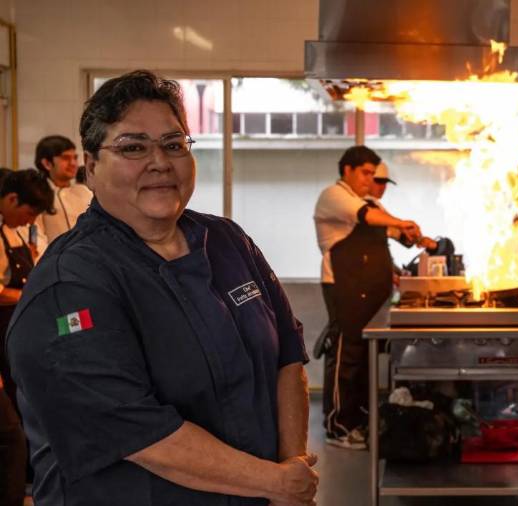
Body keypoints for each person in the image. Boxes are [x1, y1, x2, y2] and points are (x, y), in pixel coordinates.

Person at [6, 70, 318, 506]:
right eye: (133, 147)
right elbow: (137, 431)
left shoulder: (227, 241)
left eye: (174, 144)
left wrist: (292, 463)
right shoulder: (70, 284)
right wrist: (277, 483)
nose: (160, 162)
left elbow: (287, 353)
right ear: (91, 167)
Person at [313, 146, 422, 450]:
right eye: (366, 173)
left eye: (374, 174)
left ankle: (358, 420)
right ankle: (337, 425)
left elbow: (394, 232)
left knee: (363, 358)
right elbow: (366, 217)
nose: (370, 179)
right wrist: (401, 223)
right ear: (347, 169)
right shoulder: (334, 196)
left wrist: (416, 236)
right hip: (343, 286)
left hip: (370, 291)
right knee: (346, 354)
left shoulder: (370, 202)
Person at [0, 169, 53, 506]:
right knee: (9, 433)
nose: (29, 219)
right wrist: (28, 295)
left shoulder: (15, 231)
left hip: (14, 331)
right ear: (11, 199)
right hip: (1, 327)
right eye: (28, 212)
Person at [34, 135, 93, 243]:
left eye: (75, 158)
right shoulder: (37, 195)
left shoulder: (85, 192)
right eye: (65, 158)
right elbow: (35, 237)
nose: (73, 163)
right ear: (47, 163)